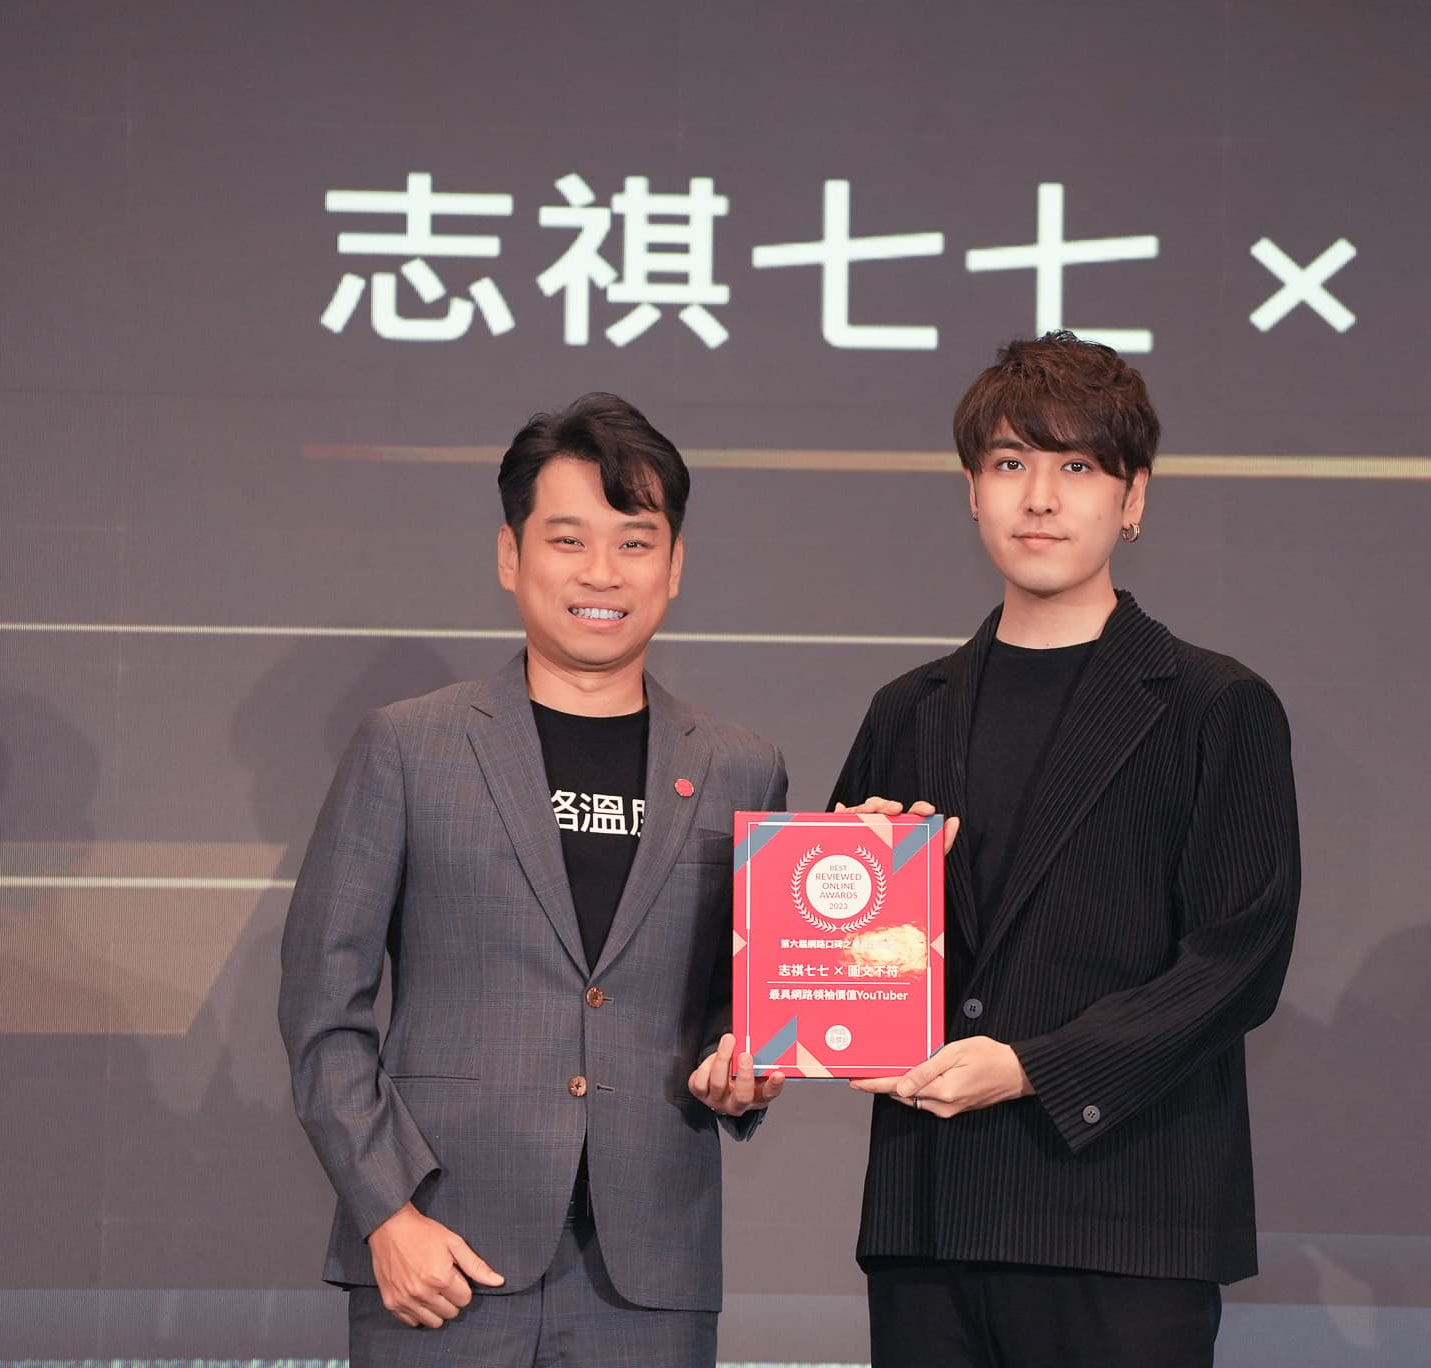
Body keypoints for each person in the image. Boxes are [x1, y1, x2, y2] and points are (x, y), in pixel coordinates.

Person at [279, 392, 786, 1366]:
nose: (602, 572)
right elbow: (320, 1007)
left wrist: (745, 1070)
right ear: (511, 555)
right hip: (440, 1256)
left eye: (634, 542)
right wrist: (386, 1210)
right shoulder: (410, 747)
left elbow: (739, 1004)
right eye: (568, 539)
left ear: (675, 565)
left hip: (649, 1275)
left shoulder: (739, 766)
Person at [830, 332, 1300, 1367]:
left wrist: (1032, 1069)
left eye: (1077, 467)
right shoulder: (908, 709)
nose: (1038, 498)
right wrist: (857, 894)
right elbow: (836, 973)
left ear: (1133, 499)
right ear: (971, 489)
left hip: (1123, 1221)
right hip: (929, 1222)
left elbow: (1238, 960)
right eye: (1009, 463)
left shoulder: (1213, 706)